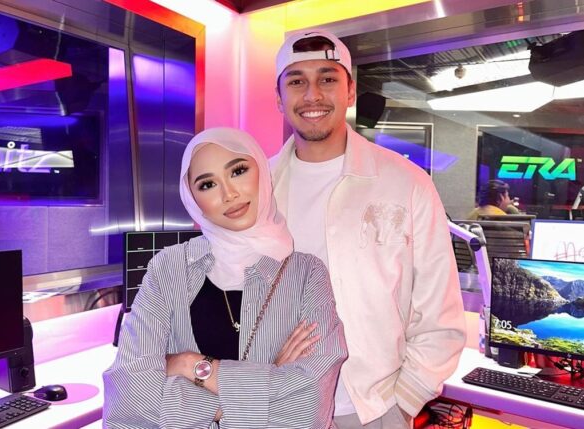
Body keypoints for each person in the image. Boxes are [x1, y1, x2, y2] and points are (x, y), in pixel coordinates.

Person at [270, 30, 467, 428]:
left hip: (371, 411)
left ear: (350, 92)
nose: (312, 95)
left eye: (327, 78)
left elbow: (439, 313)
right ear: (279, 98)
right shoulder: (257, 188)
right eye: (296, 81)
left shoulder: (406, 183)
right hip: (277, 405)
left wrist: (404, 403)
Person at [103, 127, 347, 428]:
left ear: (262, 172)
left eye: (238, 171)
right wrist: (269, 382)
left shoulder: (307, 274)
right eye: (207, 185)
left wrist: (190, 365)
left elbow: (309, 407)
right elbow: (128, 400)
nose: (229, 194)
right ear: (192, 198)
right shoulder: (168, 268)